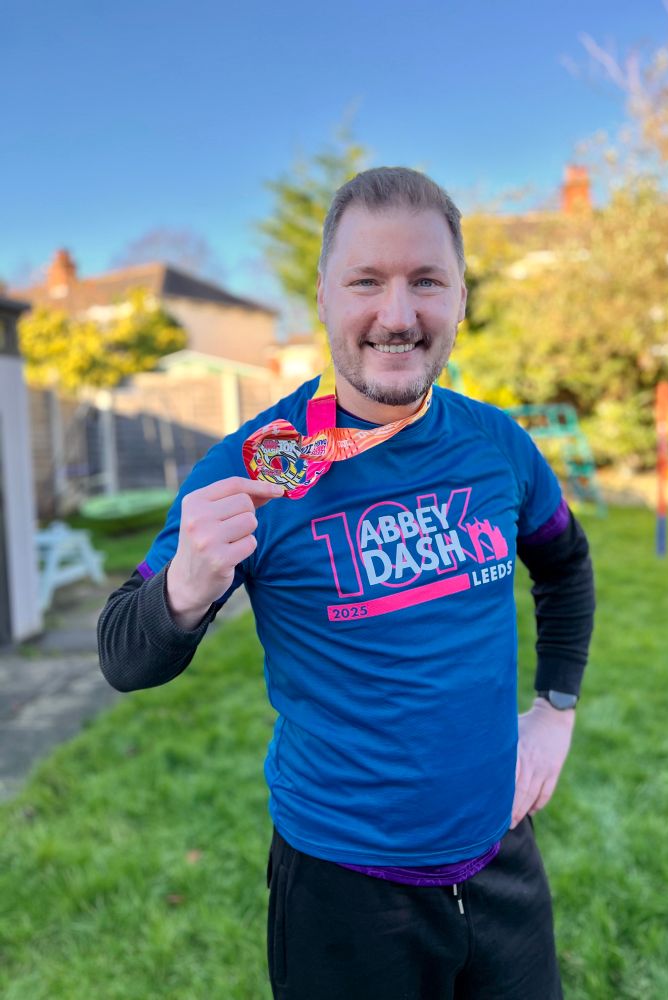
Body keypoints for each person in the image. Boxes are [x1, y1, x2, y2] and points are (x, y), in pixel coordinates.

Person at [98, 166, 595, 999]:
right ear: (323, 297)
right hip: (343, 891)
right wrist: (182, 589)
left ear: (460, 298)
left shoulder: (499, 446)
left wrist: (555, 709)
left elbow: (566, 567)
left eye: (426, 282)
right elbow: (122, 653)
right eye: (367, 281)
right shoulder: (250, 468)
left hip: (501, 858)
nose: (397, 316)